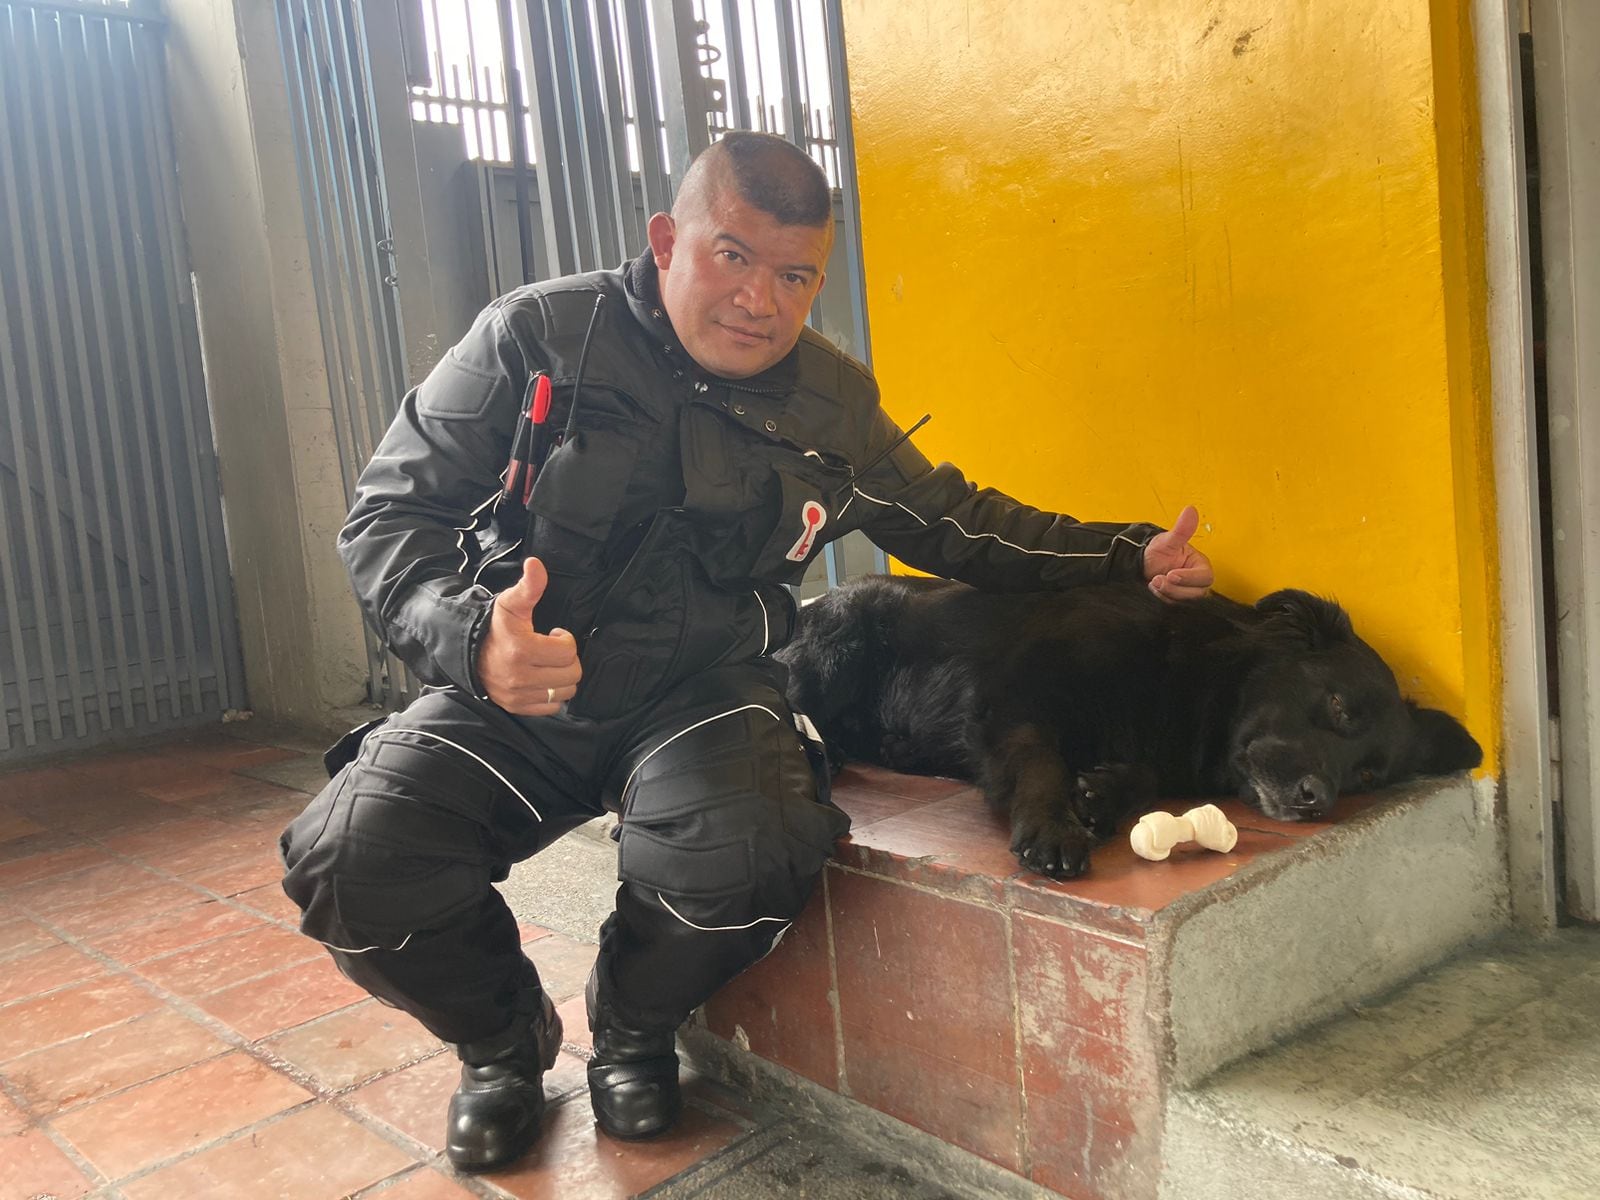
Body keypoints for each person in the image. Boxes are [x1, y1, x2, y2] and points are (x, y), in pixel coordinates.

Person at [279, 130, 1213, 1173]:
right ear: (668, 237)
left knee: (760, 841)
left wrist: (1124, 554)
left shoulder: (831, 400)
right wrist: (468, 637)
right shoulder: (538, 336)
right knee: (350, 858)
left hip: (705, 692)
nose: (759, 300)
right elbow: (388, 516)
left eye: (792, 274)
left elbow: (954, 523)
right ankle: (502, 1049)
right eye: (732, 256)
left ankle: (634, 1031)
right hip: (523, 682)